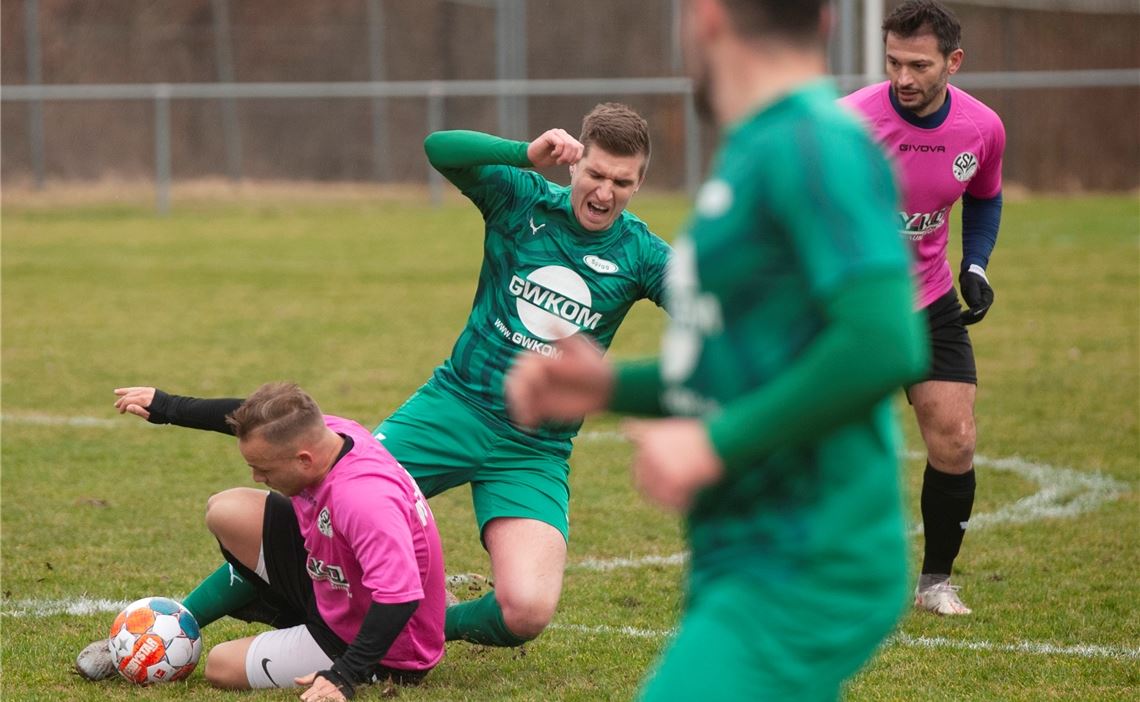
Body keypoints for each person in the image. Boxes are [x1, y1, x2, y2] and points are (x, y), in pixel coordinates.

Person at [76, 102, 671, 664]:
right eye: (596, 173)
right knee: (309, 518)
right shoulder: (522, 201)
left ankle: (412, 629)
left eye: (622, 182)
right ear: (577, 161)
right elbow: (440, 148)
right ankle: (175, 624)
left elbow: (711, 307)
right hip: (452, 408)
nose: (604, 192)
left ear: (638, 184)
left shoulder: (641, 254)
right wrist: (523, 152)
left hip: (533, 450)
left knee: (527, 610)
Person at [504, 0, 928, 699]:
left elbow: (885, 339)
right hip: (744, 553)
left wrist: (714, 444)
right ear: (823, 22)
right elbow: (741, 364)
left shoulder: (813, 142)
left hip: (803, 560)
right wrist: (609, 388)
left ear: (703, 18)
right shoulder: (759, 149)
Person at [78, 383, 445, 701]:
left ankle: (343, 653)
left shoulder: (363, 500)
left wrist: (345, 674)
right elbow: (248, 417)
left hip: (387, 649)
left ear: (303, 459)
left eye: (265, 469)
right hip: (337, 587)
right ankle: (291, 613)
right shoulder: (329, 434)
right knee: (227, 510)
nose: (256, 476)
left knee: (221, 666)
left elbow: (400, 597)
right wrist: (168, 406)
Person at [842, 0, 1006, 615]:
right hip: (850, 305)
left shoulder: (982, 127)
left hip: (929, 298)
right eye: (892, 63)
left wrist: (975, 265)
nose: (903, 79)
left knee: (956, 441)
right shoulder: (847, 123)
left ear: (952, 62)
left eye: (918, 64)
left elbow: (984, 199)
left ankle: (935, 581)